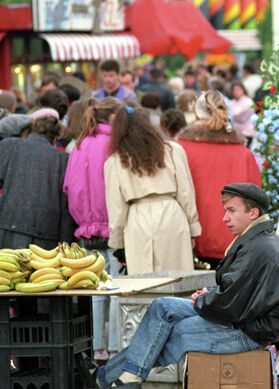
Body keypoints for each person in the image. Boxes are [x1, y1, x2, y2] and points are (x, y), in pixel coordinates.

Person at [86, 183, 279, 389]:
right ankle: (112, 378)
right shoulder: (257, 241)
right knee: (162, 306)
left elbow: (232, 304)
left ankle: (116, 379)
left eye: (231, 211)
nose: (225, 218)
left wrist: (204, 299)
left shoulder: (260, 247)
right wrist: (209, 295)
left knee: (176, 332)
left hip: (249, 332)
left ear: (253, 213)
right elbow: (239, 294)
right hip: (244, 319)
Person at [63, 97, 125, 362]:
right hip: (111, 223)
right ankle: (114, 347)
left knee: (98, 290)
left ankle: (97, 346)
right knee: (115, 288)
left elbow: (68, 187)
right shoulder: (114, 145)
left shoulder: (78, 145)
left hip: (85, 228)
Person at [104, 106, 201, 275]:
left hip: (137, 218)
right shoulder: (172, 151)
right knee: (177, 277)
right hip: (171, 215)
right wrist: (193, 228)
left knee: (144, 280)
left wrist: (118, 241)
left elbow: (116, 207)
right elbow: (186, 192)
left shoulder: (115, 161)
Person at [177, 90, 261, 268]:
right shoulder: (243, 153)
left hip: (192, 238)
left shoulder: (182, 148)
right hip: (234, 240)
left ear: (197, 113)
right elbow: (256, 198)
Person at [0, 109, 75, 255]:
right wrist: (66, 244)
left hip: (2, 229)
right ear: (55, 137)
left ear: (29, 129)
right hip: (45, 237)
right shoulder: (63, 159)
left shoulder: (8, 145)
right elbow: (65, 206)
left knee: (1, 276)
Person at [229, 82, 256, 147]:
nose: (237, 92)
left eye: (238, 89)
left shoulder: (248, 102)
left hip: (247, 132)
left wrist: (232, 115)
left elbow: (240, 117)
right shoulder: (232, 102)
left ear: (243, 90)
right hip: (236, 132)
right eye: (234, 90)